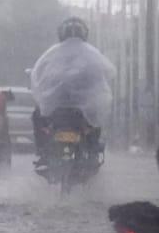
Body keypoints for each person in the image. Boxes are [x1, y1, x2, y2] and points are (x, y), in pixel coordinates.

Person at [29, 16, 115, 161]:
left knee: (37, 116)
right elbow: (109, 72)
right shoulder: (91, 54)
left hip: (58, 110)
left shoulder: (52, 54)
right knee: (95, 123)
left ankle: (42, 150)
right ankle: (92, 151)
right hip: (80, 111)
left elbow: (37, 74)